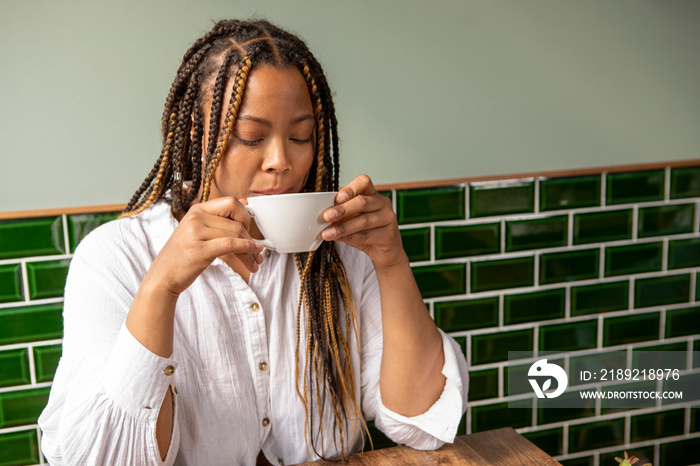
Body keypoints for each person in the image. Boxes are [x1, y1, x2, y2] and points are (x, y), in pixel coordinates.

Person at [38, 19, 469, 466]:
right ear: (194, 134)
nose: (281, 161)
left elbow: (421, 425)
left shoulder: (341, 250)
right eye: (251, 137)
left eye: (301, 136)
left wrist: (391, 263)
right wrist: (160, 288)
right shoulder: (113, 258)